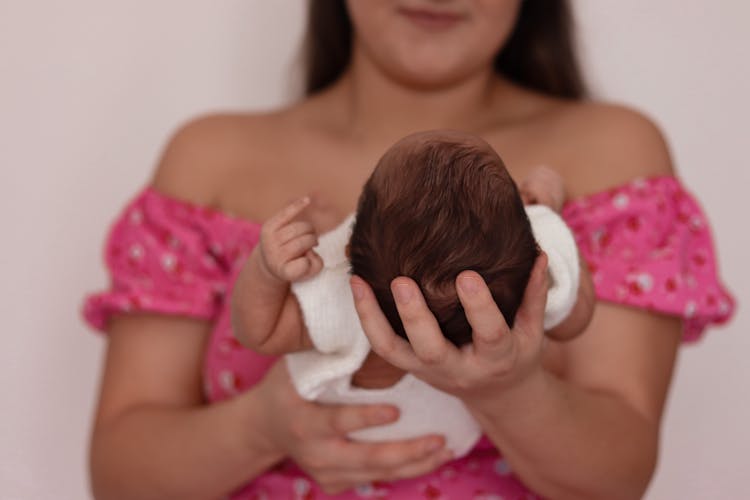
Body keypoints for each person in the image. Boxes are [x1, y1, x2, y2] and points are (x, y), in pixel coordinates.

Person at [82, 1, 735, 499]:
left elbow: (617, 473)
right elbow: (121, 471)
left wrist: (510, 390)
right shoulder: (209, 161)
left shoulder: (611, 153)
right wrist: (262, 427)